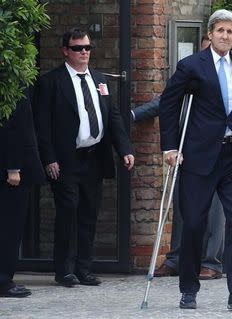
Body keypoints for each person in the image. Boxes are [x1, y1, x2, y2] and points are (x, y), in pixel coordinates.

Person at [159, 9, 232, 310]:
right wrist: (170, 147)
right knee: (193, 223)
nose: (225, 36)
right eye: (220, 31)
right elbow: (168, 104)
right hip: (199, 155)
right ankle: (188, 288)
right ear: (210, 33)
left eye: (230, 32)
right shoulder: (192, 65)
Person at [33, 28, 135, 287]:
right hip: (66, 159)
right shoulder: (51, 82)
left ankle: (84, 268)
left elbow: (112, 118)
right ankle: (63, 270)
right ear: (65, 51)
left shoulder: (100, 80)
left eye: (87, 48)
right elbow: (42, 125)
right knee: (67, 212)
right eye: (78, 48)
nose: (84, 53)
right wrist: (49, 158)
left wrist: (125, 149)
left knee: (89, 214)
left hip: (94, 157)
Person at [134, 35, 225, 280]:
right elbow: (165, 102)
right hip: (190, 149)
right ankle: (176, 258)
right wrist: (132, 115)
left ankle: (211, 262)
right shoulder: (192, 74)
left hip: (219, 150)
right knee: (184, 204)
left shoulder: (228, 79)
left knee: (216, 208)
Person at [0, 90, 46, 298]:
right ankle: (3, 280)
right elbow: (14, 126)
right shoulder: (12, 81)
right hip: (12, 169)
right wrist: (14, 167)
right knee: (10, 227)